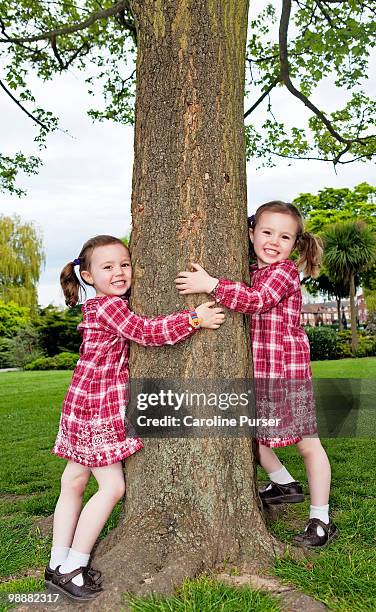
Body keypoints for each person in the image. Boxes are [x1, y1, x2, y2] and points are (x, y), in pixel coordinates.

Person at [47, 235, 225, 602]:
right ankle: (73, 567)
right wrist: (194, 317)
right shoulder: (109, 307)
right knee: (112, 488)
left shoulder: (100, 305)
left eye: (124, 264)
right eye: (107, 267)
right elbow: (146, 333)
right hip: (98, 406)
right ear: (88, 275)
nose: (119, 272)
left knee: (74, 480)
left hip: (81, 401)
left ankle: (56, 561)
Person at [175, 201, 338, 549]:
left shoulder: (284, 273)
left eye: (284, 236)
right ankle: (283, 483)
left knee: (307, 444)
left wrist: (211, 283)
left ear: (295, 244)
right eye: (266, 232)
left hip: (286, 371)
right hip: (260, 372)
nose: (274, 241)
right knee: (249, 432)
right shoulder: (251, 270)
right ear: (250, 233)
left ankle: (321, 518)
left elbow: (257, 301)